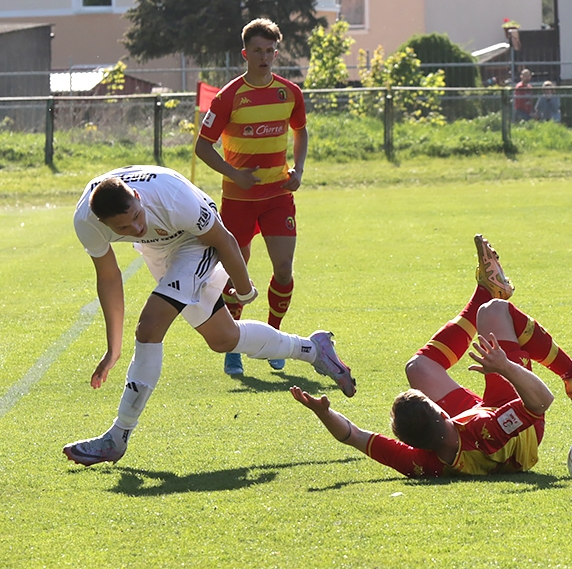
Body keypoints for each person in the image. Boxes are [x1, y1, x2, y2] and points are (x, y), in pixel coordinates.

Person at [63, 165, 355, 467]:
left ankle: (117, 437)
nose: (135, 229)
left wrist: (244, 290)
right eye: (122, 229)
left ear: (137, 197)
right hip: (158, 250)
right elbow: (109, 278)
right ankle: (312, 349)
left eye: (137, 217)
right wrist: (114, 349)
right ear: (102, 222)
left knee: (149, 327)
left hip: (195, 240)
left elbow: (224, 240)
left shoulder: (174, 198)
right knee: (223, 338)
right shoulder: (87, 221)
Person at [291, 235, 572, 477]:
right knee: (496, 312)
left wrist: (323, 413)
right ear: (442, 413)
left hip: (471, 427)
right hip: (522, 432)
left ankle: (484, 292)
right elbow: (540, 403)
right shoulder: (486, 429)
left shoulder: (419, 461)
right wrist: (504, 367)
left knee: (417, 367)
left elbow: (354, 436)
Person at [195, 17, 308, 375]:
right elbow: (203, 146)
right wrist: (236, 175)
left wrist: (299, 169)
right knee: (236, 274)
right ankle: (235, 347)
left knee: (284, 270)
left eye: (270, 50)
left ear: (276, 52)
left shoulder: (289, 93)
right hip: (239, 200)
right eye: (257, 50)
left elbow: (301, 132)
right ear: (245, 53)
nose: (264, 56)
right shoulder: (230, 96)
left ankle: (274, 338)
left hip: (278, 195)